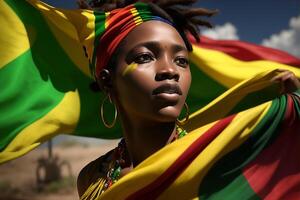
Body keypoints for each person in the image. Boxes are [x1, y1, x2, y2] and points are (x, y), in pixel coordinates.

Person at [75, 0, 300, 199]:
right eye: (145, 57)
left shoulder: (218, 162)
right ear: (107, 81)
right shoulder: (93, 178)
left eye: (181, 61)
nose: (169, 70)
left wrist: (293, 113)